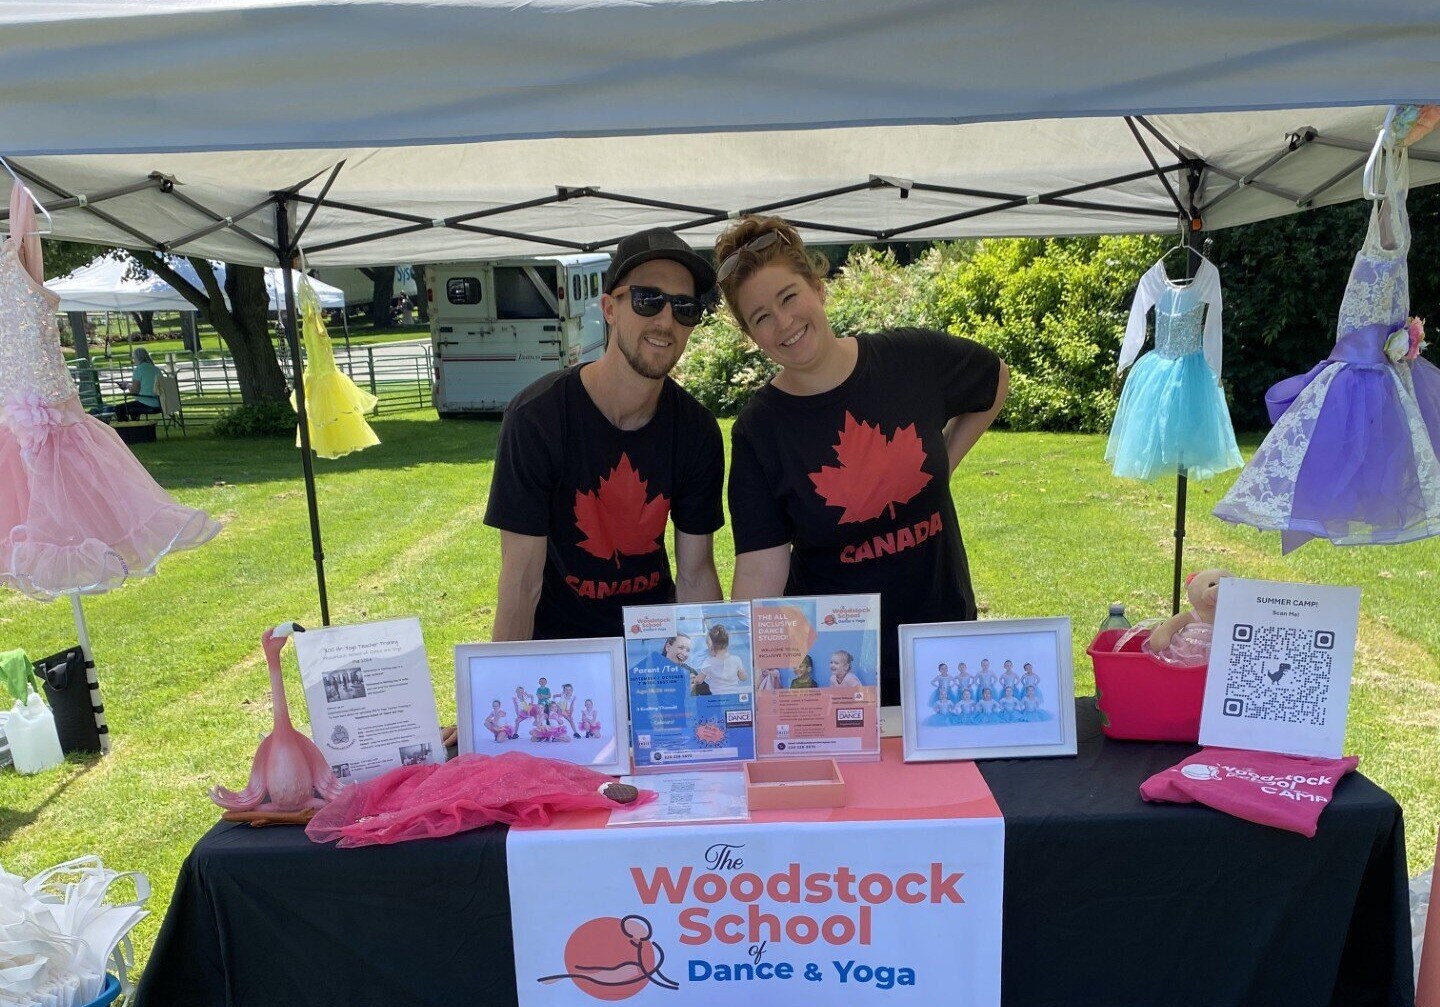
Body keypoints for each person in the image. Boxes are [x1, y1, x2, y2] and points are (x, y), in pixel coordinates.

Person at [717, 216, 1008, 706]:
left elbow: (993, 380)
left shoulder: (910, 360)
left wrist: (942, 467)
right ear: (751, 334)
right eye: (761, 317)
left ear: (818, 288)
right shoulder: (760, 430)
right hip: (841, 671)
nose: (783, 322)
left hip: (941, 640)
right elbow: (761, 575)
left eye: (789, 297)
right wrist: (746, 682)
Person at [484, 227, 724, 643]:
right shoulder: (536, 418)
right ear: (609, 308)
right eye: (647, 300)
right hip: (560, 656)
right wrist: (504, 688)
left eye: (685, 308)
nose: (666, 321)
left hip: (653, 659)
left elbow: (696, 574)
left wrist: (715, 684)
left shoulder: (696, 430)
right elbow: (522, 585)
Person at [111, 347, 163, 421]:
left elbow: (134, 392)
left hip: (147, 403)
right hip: (159, 403)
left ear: (138, 358)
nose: (133, 360)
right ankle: (135, 427)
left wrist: (127, 385)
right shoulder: (156, 369)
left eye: (134, 358)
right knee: (133, 407)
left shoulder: (139, 369)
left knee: (118, 408)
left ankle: (127, 429)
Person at [697, 624, 749, 694]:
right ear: (727, 644)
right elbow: (743, 678)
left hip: (717, 699)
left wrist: (692, 678)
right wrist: (743, 673)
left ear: (711, 647)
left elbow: (699, 680)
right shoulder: (736, 660)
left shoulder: (708, 662)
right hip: (733, 697)